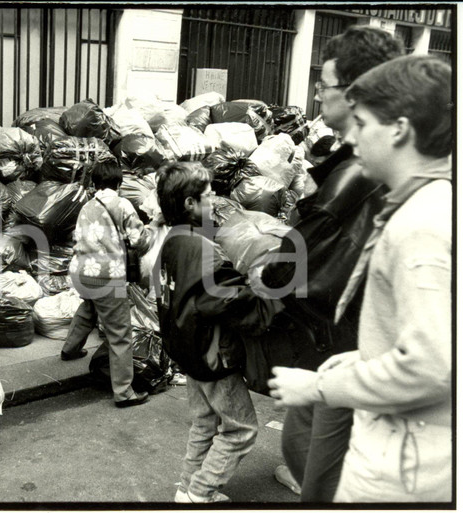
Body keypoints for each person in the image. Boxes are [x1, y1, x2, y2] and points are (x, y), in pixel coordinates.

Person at [268, 55, 452, 503]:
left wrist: (315, 386)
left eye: (363, 122)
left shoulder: (422, 223)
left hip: (401, 471)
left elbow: (432, 366)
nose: (350, 136)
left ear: (399, 129)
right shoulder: (435, 202)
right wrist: (358, 361)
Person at [258, 25, 403, 502]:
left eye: (325, 88)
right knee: (309, 447)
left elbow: (431, 363)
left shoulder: (372, 178)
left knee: (318, 465)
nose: (319, 100)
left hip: (351, 351)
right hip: (347, 349)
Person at [156, 161, 276, 503]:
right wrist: (266, 289)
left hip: (187, 349)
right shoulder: (201, 248)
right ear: (189, 204)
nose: (214, 200)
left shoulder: (174, 239)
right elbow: (227, 300)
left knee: (205, 423)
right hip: (212, 353)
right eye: (208, 196)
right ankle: (200, 492)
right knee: (241, 430)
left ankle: (185, 487)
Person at [62, 161, 154, 408]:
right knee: (120, 334)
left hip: (79, 272)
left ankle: (69, 349)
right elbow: (140, 241)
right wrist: (153, 230)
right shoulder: (122, 204)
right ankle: (124, 393)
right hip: (106, 274)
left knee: (90, 306)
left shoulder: (86, 206)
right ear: (119, 183)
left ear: (95, 184)